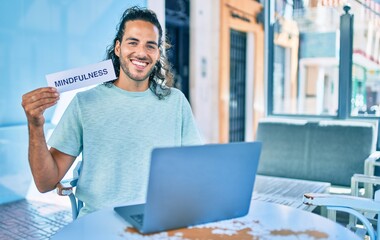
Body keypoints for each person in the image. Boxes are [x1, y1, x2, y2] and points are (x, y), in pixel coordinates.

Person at [21, 6, 202, 217]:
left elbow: (194, 169)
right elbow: (45, 183)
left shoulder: (176, 102)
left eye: (150, 46)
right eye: (133, 42)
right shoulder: (85, 103)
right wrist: (35, 125)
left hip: (157, 221)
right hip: (98, 225)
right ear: (118, 48)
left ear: (158, 53)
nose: (141, 53)